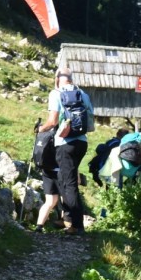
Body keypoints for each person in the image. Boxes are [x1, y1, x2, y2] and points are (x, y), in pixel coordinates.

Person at [38, 67, 92, 235]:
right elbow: (90, 121)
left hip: (65, 144)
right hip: (82, 143)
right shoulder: (83, 94)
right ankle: (69, 219)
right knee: (69, 180)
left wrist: (40, 129)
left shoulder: (56, 93)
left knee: (69, 185)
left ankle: (76, 225)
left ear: (57, 79)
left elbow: (53, 121)